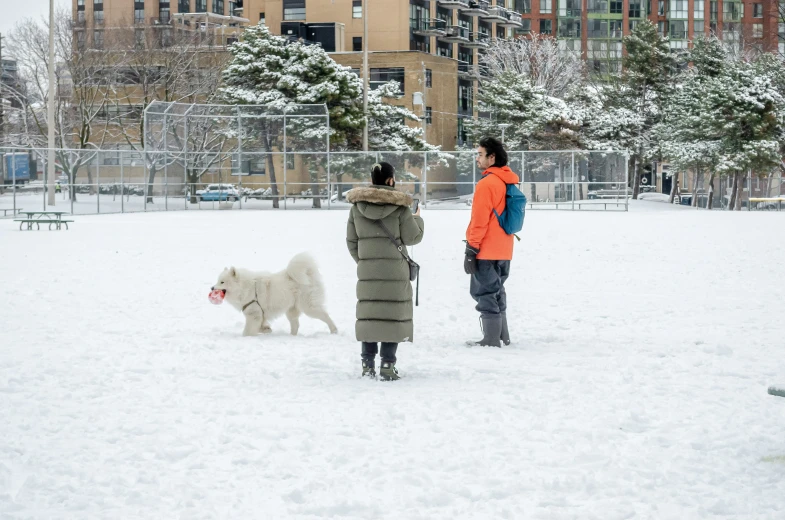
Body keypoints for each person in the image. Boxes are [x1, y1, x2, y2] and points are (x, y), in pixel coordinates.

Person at [346, 162, 425, 380]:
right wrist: (417, 217)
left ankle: (367, 364)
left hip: (367, 272)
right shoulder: (400, 208)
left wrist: (365, 262)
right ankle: (388, 365)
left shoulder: (356, 208)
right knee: (392, 315)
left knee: (370, 314)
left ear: (372, 180)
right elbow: (413, 237)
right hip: (395, 272)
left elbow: (351, 242)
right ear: (391, 180)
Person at [464, 137, 520, 347]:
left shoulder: (487, 183)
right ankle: (502, 335)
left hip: (486, 249)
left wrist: (471, 248)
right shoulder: (508, 180)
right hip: (505, 248)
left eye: (480, 154)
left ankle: (490, 339)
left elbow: (480, 220)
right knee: (497, 289)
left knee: (484, 291)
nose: (477, 158)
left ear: (492, 157)